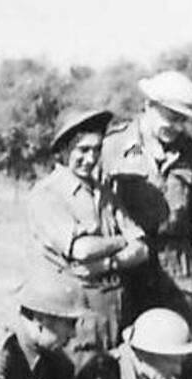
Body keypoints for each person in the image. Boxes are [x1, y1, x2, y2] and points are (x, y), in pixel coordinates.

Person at [101, 70, 192, 379]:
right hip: (129, 265)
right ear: (148, 105)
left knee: (181, 355)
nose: (174, 124)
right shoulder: (114, 147)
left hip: (176, 268)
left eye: (182, 119)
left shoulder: (190, 153)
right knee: (131, 358)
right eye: (169, 114)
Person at [28, 107, 148, 360]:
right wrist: (121, 241)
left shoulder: (105, 193)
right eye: (82, 150)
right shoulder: (47, 194)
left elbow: (142, 248)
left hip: (115, 311)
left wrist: (108, 261)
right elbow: (81, 250)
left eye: (96, 150)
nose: (90, 158)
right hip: (72, 316)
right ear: (62, 151)